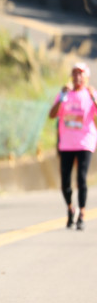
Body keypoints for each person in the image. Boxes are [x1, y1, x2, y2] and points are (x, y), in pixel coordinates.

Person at [48, 62, 97, 230]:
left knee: (81, 178)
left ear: (86, 77)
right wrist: (62, 96)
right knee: (65, 182)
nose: (77, 77)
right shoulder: (65, 94)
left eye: (80, 73)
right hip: (67, 144)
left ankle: (82, 214)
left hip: (85, 142)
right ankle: (70, 208)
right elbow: (52, 114)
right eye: (75, 73)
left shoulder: (90, 94)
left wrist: (94, 98)